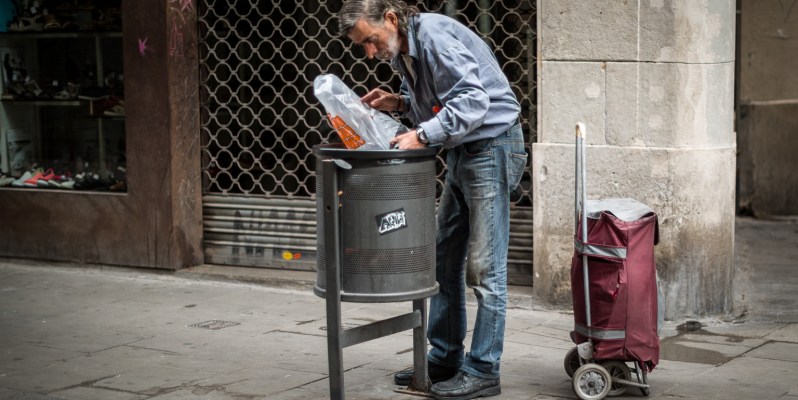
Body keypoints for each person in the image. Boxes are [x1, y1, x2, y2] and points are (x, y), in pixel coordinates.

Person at [338, 1, 526, 399]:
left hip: (492, 147)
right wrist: (399, 103)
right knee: (442, 257)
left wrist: (421, 136)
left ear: (389, 18)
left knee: (485, 269)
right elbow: (440, 100)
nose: (370, 53)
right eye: (363, 47)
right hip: (464, 151)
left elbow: (473, 101)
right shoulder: (405, 50)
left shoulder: (435, 36)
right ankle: (444, 357)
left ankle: (484, 368)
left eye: (370, 41)